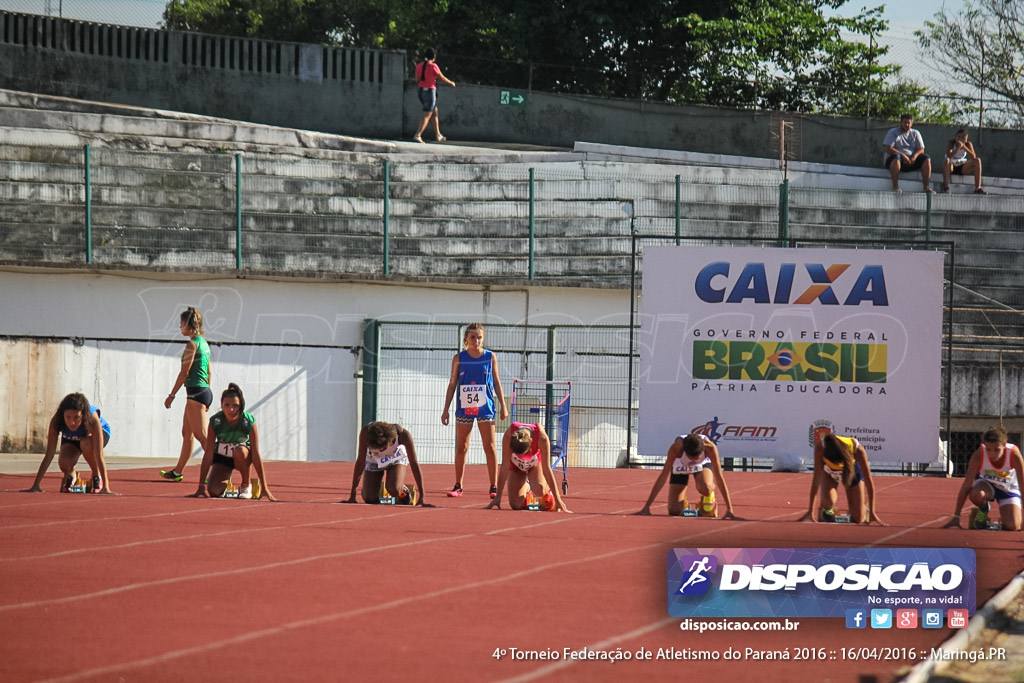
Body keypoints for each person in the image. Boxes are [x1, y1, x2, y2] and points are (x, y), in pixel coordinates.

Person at [441, 322, 508, 498]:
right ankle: (458, 485)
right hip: (465, 408)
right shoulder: (459, 358)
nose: (476, 341)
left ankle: (494, 486)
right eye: (472, 337)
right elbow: (452, 384)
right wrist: (445, 409)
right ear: (466, 338)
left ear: (483, 338)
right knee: (462, 446)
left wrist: (503, 406)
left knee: (490, 446)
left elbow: (496, 381)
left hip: (485, 407)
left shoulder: (490, 357)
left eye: (479, 337)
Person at [191, 383, 274, 500]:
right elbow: (209, 453)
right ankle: (224, 483)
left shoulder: (248, 421)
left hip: (243, 457)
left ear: (241, 406)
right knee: (214, 491)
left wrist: (265, 487)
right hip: (224, 459)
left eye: (235, 405)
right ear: (221, 405)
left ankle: (246, 485)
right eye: (227, 405)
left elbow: (255, 454)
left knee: (239, 450)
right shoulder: (215, 421)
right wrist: (201, 486)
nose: (231, 409)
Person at [25, 393, 113, 494]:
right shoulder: (56, 421)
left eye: (76, 417)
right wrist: (36, 485)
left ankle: (96, 475)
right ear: (63, 415)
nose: (72, 422)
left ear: (83, 415)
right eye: (68, 417)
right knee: (64, 461)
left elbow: (99, 454)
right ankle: (71, 474)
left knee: (86, 443)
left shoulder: (92, 417)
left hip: (95, 435)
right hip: (73, 437)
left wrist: (106, 487)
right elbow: (49, 453)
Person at [160, 306, 211, 482]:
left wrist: (171, 394)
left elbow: (185, 372)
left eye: (181, 323)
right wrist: (207, 394)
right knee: (187, 433)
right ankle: (177, 471)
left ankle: (217, 473)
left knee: (202, 437)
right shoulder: (204, 343)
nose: (180, 327)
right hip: (202, 391)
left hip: (196, 393)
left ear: (189, 325)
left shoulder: (192, 344)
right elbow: (209, 371)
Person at [942, 426, 1023, 531]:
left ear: (1004, 445)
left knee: (1013, 526)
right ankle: (984, 509)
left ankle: (1000, 524)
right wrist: (956, 516)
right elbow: (967, 485)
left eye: (996, 450)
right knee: (976, 494)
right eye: (988, 449)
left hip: (1008, 489)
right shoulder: (979, 454)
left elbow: (1023, 485)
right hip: (987, 485)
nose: (992, 454)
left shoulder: (1013, 454)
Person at [636, 433, 736, 518]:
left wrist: (729, 509)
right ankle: (683, 502)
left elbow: (719, 477)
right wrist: (647, 506)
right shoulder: (676, 448)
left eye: (696, 458)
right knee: (674, 511)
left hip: (702, 466)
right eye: (690, 458)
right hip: (680, 466)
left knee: (706, 487)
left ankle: (708, 495)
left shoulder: (710, 448)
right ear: (684, 451)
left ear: (702, 450)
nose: (693, 461)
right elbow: (663, 476)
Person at [798, 433, 886, 525]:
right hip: (829, 473)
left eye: (837, 463)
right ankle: (829, 509)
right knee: (827, 502)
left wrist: (872, 512)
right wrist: (810, 511)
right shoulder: (820, 448)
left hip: (851, 472)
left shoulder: (857, 450)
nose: (836, 466)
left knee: (858, 518)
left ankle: (864, 508)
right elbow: (816, 481)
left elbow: (869, 482)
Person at [485, 422, 570, 512]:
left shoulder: (542, 438)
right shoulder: (508, 436)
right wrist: (498, 497)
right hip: (515, 465)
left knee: (539, 489)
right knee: (515, 505)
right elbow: (504, 466)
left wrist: (558, 499)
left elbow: (547, 469)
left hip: (534, 463)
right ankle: (527, 487)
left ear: (530, 444)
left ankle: (546, 491)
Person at [344, 421, 427, 506]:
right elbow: (360, 462)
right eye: (376, 449)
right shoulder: (365, 433)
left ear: (391, 441)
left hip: (395, 459)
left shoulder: (403, 435)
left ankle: (402, 490)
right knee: (369, 498)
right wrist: (352, 495)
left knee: (394, 489)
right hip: (374, 460)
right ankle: (375, 488)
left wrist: (422, 496)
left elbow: (414, 463)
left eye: (383, 449)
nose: (379, 452)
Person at [412, 47, 455, 144]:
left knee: (434, 111)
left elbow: (416, 80)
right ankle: (418, 135)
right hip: (430, 92)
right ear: (434, 56)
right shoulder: (433, 66)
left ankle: (438, 135)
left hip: (421, 92)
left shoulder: (419, 66)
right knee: (427, 114)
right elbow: (441, 77)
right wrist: (451, 83)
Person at [882, 113, 934, 194]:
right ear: (901, 122)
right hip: (897, 160)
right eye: (904, 122)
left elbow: (921, 149)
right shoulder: (893, 132)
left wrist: (914, 156)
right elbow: (888, 148)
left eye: (908, 123)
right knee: (896, 157)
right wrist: (903, 156)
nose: (906, 125)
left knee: (926, 158)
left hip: (911, 161)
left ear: (912, 123)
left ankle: (926, 186)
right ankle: (895, 187)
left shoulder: (915, 133)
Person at [942, 129, 987, 194]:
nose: (960, 139)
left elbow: (973, 156)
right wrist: (958, 148)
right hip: (951, 166)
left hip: (962, 166)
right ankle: (945, 186)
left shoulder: (968, 144)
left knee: (977, 160)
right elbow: (949, 156)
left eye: (963, 138)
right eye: (959, 137)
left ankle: (978, 187)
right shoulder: (951, 143)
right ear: (956, 137)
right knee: (946, 160)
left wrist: (964, 147)